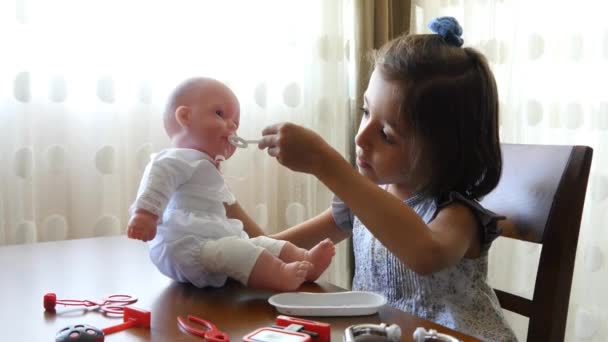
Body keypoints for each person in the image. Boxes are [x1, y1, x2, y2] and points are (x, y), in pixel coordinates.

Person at [257, 17, 517, 341]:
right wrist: (221, 237)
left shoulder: (457, 216)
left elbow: (426, 254)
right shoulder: (364, 200)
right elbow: (279, 249)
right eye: (366, 111)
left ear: (444, 150)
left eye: (386, 134)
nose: (361, 137)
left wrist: (325, 163)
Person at [127, 77, 335, 291]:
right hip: (184, 245)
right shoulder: (174, 159)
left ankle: (305, 260)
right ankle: (278, 275)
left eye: (235, 124)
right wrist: (146, 214)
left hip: (211, 238)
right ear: (185, 116)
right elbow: (156, 182)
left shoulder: (206, 165)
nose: (231, 127)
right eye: (219, 114)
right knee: (237, 251)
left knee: (261, 245)